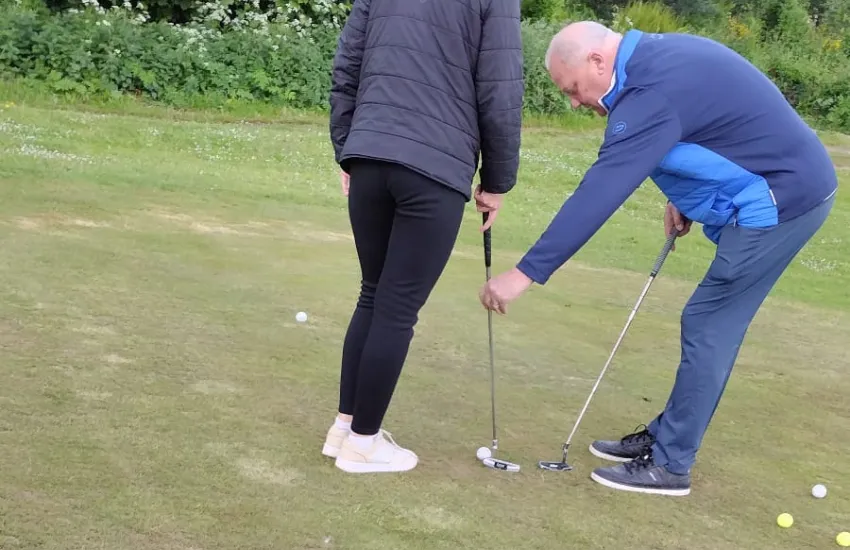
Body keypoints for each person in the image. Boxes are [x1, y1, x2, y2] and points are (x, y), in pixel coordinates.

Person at [479, 22, 837, 495]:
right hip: (785, 184)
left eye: (573, 89)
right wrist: (686, 199)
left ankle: (671, 464)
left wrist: (524, 274)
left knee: (710, 322)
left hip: (785, 199)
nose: (573, 102)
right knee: (708, 320)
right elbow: (712, 129)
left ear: (597, 62)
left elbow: (601, 192)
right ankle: (668, 435)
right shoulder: (654, 60)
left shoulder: (649, 91)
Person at [322, 0, 524, 474]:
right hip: (434, 168)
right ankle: (363, 443)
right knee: (394, 307)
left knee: (373, 296)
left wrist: (348, 148)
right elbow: (500, 88)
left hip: (370, 152)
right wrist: (497, 180)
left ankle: (345, 429)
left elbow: (346, 66)